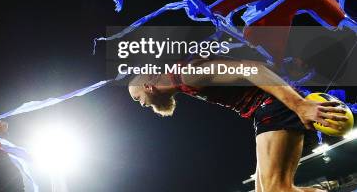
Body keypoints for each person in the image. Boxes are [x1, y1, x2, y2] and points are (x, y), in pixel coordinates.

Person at [127, 58, 348, 192]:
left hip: (274, 107)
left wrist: (299, 105)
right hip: (263, 113)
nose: (142, 105)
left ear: (148, 86)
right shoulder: (181, 78)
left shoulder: (188, 74)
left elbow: (252, 70)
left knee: (276, 190)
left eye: (138, 99)